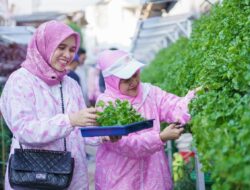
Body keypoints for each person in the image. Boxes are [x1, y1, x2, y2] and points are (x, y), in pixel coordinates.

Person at [0, 20, 118, 190]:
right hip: (31, 177)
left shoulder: (70, 84)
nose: (68, 55)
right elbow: (25, 131)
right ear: (45, 45)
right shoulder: (21, 80)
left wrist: (103, 135)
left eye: (71, 49)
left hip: (71, 178)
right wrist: (70, 120)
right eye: (61, 47)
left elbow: (79, 130)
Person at [95, 50, 201, 190]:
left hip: (153, 176)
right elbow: (125, 145)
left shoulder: (149, 93)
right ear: (112, 81)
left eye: (135, 74)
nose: (133, 82)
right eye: (126, 79)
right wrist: (160, 137)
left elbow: (175, 107)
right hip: (120, 179)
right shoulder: (106, 105)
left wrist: (195, 96)